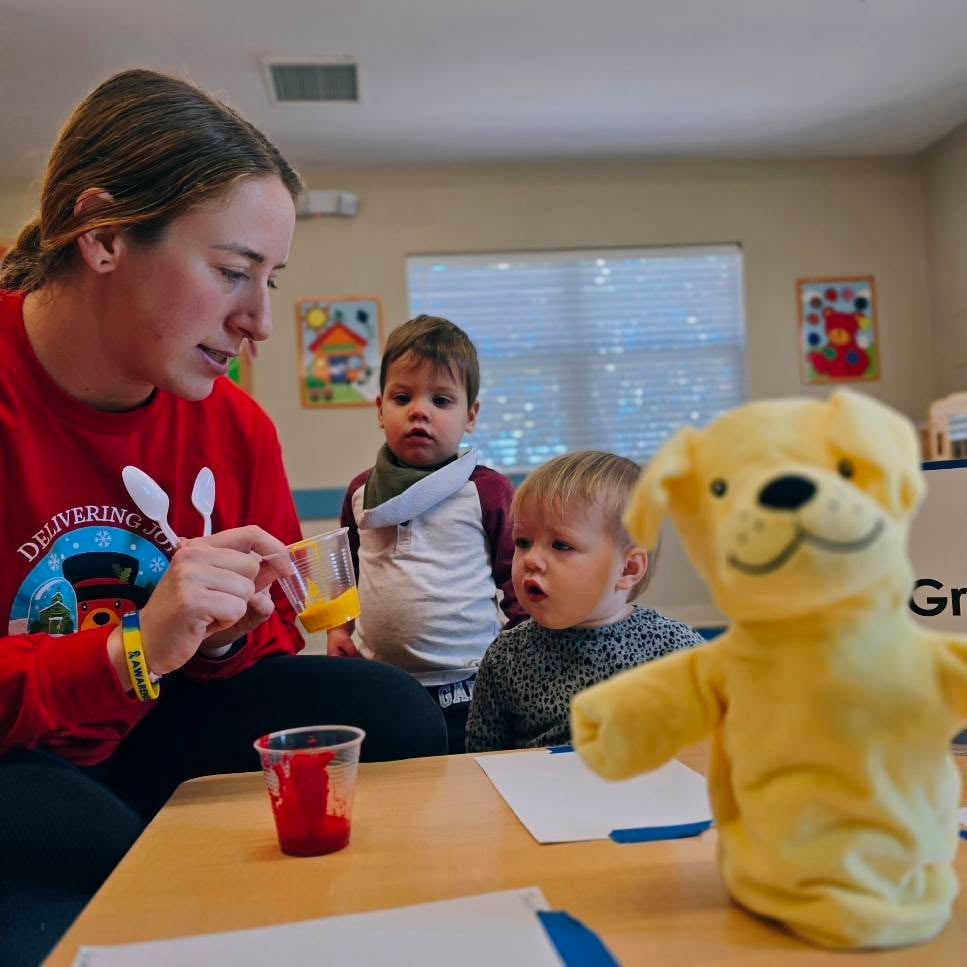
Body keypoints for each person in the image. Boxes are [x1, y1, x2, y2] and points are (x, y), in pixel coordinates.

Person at [0, 69, 446, 967]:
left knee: (391, 713)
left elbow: (265, 655)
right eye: (234, 271)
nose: (260, 322)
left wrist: (218, 636)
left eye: (271, 279)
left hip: (147, 728)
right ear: (103, 233)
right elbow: (123, 658)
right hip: (20, 756)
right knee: (83, 846)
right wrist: (131, 647)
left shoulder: (233, 424)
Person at [327, 315, 527, 753]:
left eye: (441, 399)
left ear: (470, 415)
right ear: (380, 410)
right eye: (403, 397)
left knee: (473, 782)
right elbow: (345, 567)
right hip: (381, 683)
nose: (420, 410)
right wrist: (338, 629)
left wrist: (527, 646)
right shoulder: (361, 492)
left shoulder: (486, 490)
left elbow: (516, 577)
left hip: (469, 683)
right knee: (395, 786)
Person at [465, 450, 703, 753]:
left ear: (628, 569)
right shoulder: (506, 657)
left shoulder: (676, 651)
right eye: (523, 542)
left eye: (561, 545)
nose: (531, 560)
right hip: (542, 795)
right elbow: (480, 759)